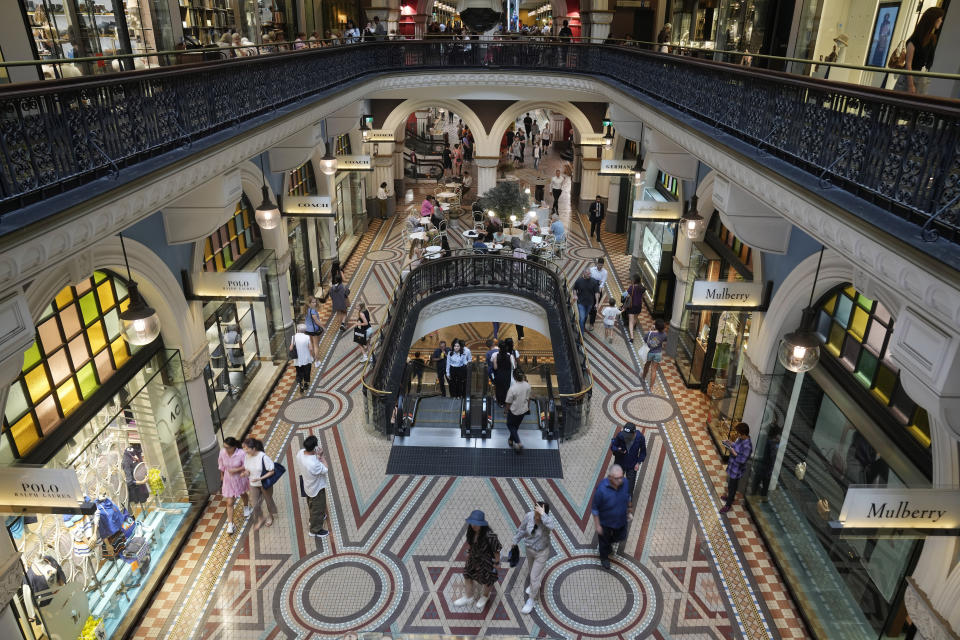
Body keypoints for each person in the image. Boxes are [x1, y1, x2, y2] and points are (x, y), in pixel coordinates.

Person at [452, 510, 502, 610]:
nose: (473, 526)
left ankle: (485, 596)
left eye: (476, 524)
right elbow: (471, 543)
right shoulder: (471, 531)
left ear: (482, 524)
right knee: (467, 574)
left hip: (487, 561)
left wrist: (497, 562)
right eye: (472, 523)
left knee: (487, 580)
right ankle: (468, 597)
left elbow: (497, 549)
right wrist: (469, 553)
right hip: (474, 558)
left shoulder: (490, 535)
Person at [513, 501, 555, 614]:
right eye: (535, 510)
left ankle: (531, 600)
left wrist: (543, 515)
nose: (535, 514)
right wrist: (515, 541)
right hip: (529, 550)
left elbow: (552, 526)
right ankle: (534, 586)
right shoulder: (529, 516)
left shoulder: (546, 523)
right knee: (533, 572)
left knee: (533, 577)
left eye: (538, 512)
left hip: (542, 552)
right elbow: (522, 529)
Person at [895, 7, 944, 95]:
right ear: (933, 20)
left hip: (922, 79)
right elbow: (908, 64)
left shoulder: (931, 39)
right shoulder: (914, 40)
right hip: (909, 79)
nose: (941, 21)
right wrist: (911, 85)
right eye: (940, 19)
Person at [592, 463, 631, 569]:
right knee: (604, 542)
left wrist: (629, 509)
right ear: (610, 477)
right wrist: (598, 525)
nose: (620, 480)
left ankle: (609, 542)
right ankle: (604, 558)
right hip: (605, 522)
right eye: (617, 478)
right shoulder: (601, 490)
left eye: (621, 477)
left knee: (621, 536)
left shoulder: (625, 482)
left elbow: (627, 496)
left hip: (621, 519)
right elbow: (595, 509)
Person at [296, 435, 329, 537]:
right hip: (316, 488)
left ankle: (316, 517)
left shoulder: (300, 453)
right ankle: (315, 530)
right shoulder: (314, 464)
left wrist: (316, 456)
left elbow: (312, 461)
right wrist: (322, 456)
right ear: (314, 447)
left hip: (307, 484)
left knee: (311, 503)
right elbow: (325, 469)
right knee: (317, 506)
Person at [241, 438, 277, 531]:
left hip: (264, 483)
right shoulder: (247, 456)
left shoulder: (263, 457)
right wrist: (245, 473)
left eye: (247, 448)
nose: (245, 451)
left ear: (254, 448)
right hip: (253, 483)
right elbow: (248, 470)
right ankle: (261, 518)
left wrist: (260, 478)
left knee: (268, 500)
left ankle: (270, 516)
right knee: (254, 503)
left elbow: (272, 471)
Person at [218, 436, 250, 535]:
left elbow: (247, 465)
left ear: (234, 447)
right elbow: (221, 464)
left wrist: (236, 470)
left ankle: (246, 506)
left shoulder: (241, 453)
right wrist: (222, 475)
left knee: (243, 494)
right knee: (229, 502)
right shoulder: (222, 452)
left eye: (228, 447)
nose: (225, 449)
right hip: (228, 480)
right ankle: (230, 524)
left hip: (240, 478)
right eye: (224, 447)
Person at [720, 423, 754, 513]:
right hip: (732, 466)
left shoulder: (748, 446)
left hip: (737, 470)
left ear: (743, 434)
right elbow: (736, 446)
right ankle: (729, 497)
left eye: (739, 433)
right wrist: (730, 443)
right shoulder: (740, 439)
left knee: (732, 486)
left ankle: (728, 504)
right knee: (730, 485)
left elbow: (742, 460)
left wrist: (734, 453)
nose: (737, 435)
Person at [609, 422, 646, 497]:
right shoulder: (620, 436)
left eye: (628, 436)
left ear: (634, 433)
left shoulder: (640, 438)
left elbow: (643, 452)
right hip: (620, 463)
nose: (626, 437)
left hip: (632, 465)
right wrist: (617, 449)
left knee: (629, 489)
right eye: (625, 435)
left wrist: (638, 463)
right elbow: (613, 447)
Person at [504, 369, 531, 452]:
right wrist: (528, 408)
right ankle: (511, 440)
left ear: (514, 377)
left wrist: (506, 411)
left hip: (514, 411)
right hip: (523, 410)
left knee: (510, 425)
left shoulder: (512, 389)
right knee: (515, 426)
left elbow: (508, 403)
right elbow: (528, 398)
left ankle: (519, 443)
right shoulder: (527, 385)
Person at [754, 425, 781, 498]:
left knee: (756, 482)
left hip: (760, 465)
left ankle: (753, 494)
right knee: (765, 486)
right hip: (766, 468)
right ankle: (762, 498)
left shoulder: (764, 438)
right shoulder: (771, 444)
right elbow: (772, 457)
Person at [572, 268, 600, 334]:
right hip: (581, 302)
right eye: (587, 274)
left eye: (590, 274)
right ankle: (581, 333)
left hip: (590, 303)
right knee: (582, 318)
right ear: (583, 273)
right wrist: (575, 295)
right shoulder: (579, 281)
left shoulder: (594, 281)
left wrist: (597, 303)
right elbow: (574, 289)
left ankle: (581, 326)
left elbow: (597, 293)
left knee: (585, 316)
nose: (589, 275)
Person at [642, 319, 668, 388]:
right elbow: (665, 339)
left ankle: (643, 378)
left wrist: (651, 330)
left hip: (649, 353)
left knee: (646, 366)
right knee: (654, 370)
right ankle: (651, 387)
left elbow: (644, 340)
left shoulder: (650, 333)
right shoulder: (664, 335)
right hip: (658, 354)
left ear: (655, 326)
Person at [290, 323, 315, 394]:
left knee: (299, 372)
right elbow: (310, 348)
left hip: (298, 360)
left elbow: (291, 348)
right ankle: (306, 384)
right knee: (307, 372)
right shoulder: (307, 337)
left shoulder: (294, 337)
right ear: (304, 330)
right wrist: (312, 356)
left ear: (297, 329)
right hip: (306, 359)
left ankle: (300, 384)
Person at [492, 337, 517, 405]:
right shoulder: (510, 356)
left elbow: (495, 368)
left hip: (499, 375)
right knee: (506, 389)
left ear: (499, 348)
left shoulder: (495, 356)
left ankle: (500, 402)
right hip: (507, 375)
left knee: (499, 389)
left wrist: (496, 363)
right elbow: (514, 366)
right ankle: (507, 402)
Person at [588, 257, 609, 328]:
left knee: (595, 307)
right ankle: (590, 312)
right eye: (599, 265)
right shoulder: (592, 270)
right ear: (597, 263)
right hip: (590, 290)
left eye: (601, 265)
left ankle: (591, 323)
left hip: (598, 291)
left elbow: (602, 283)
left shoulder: (605, 272)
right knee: (589, 305)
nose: (600, 267)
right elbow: (589, 279)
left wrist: (597, 284)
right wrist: (597, 282)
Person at [624, 275, 645, 341]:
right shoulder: (642, 288)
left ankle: (632, 337)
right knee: (635, 318)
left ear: (634, 281)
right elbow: (642, 296)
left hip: (631, 306)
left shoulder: (631, 287)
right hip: (639, 306)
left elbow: (627, 295)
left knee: (630, 321)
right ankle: (634, 326)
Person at [303, 297, 323, 363]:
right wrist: (323, 327)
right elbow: (316, 321)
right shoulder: (313, 310)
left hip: (307, 329)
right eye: (313, 302)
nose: (315, 304)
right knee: (316, 345)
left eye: (315, 302)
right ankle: (317, 360)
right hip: (314, 330)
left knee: (310, 344)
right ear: (309, 303)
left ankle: (311, 357)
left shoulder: (306, 309)